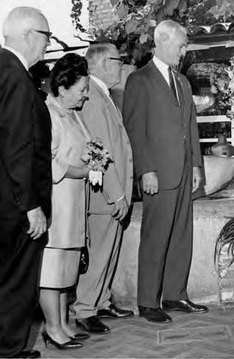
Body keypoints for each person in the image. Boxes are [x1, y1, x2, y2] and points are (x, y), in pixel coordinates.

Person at [123, 20, 207, 323]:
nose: (184, 52)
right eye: (181, 45)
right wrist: (145, 170)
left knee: (182, 235)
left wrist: (197, 164)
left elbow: (191, 129)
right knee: (156, 236)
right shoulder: (139, 81)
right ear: (162, 41)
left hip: (184, 172)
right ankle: (148, 302)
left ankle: (175, 295)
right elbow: (135, 131)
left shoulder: (183, 82)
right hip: (157, 173)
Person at [0, 6, 52, 359]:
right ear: (30, 35)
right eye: (46, 39)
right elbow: (17, 146)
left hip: (4, 199)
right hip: (16, 204)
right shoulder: (16, 77)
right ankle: (10, 348)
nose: (47, 48)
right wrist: (31, 205)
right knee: (16, 281)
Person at [74, 44, 134, 334]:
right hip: (104, 196)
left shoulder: (103, 95)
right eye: (117, 60)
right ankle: (85, 309)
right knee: (98, 254)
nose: (121, 65)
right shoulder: (94, 99)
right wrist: (117, 193)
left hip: (113, 192)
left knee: (110, 252)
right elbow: (100, 151)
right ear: (98, 64)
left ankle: (102, 301)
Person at [39, 53, 91, 351]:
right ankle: (52, 327)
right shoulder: (49, 115)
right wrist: (80, 170)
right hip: (59, 202)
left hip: (74, 201)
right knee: (53, 268)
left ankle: (62, 325)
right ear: (62, 88)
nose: (85, 96)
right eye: (82, 89)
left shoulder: (72, 114)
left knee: (66, 266)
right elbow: (48, 160)